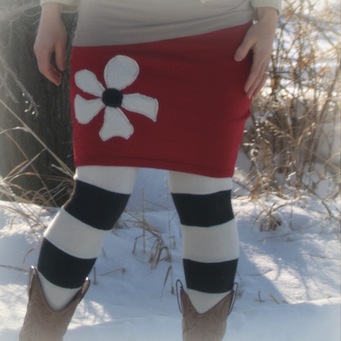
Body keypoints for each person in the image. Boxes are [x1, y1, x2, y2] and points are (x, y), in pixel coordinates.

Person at [20, 0, 280, 340]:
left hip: (218, 36)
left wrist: (269, 17)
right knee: (97, 199)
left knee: (206, 202)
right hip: (113, 27)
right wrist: (50, 11)